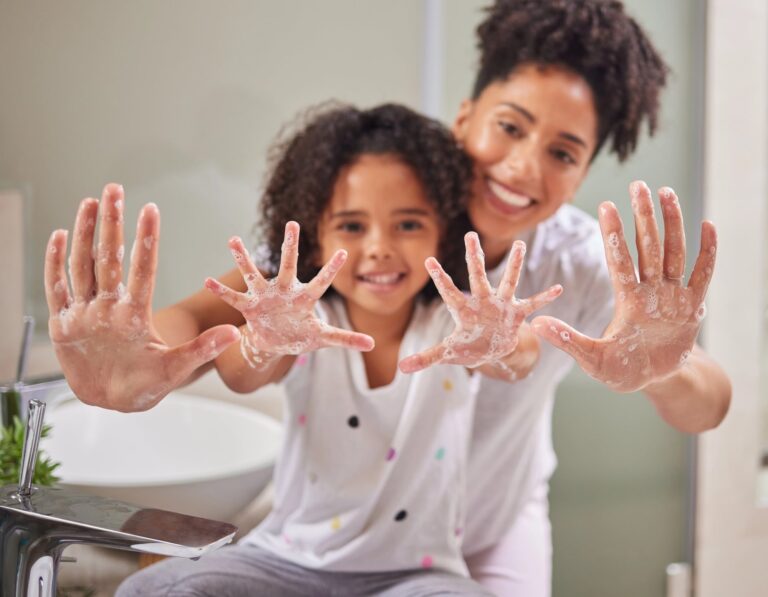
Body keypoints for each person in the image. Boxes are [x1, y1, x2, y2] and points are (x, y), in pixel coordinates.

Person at [44, 1, 731, 595]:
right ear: (466, 115)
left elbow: (703, 396)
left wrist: (661, 367)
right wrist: (143, 358)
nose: (523, 166)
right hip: (323, 541)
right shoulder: (378, 210)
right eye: (511, 126)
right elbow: (218, 317)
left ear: (583, 173)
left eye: (562, 152)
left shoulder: (576, 261)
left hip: (485, 529)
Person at [49, 103, 559, 596]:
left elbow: (518, 356)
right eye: (352, 226)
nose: (379, 246)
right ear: (313, 240)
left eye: (407, 224)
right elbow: (241, 373)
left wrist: (502, 343)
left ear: (443, 231)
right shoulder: (299, 320)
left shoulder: (455, 323)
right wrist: (260, 344)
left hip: (416, 575)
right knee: (152, 589)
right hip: (284, 562)